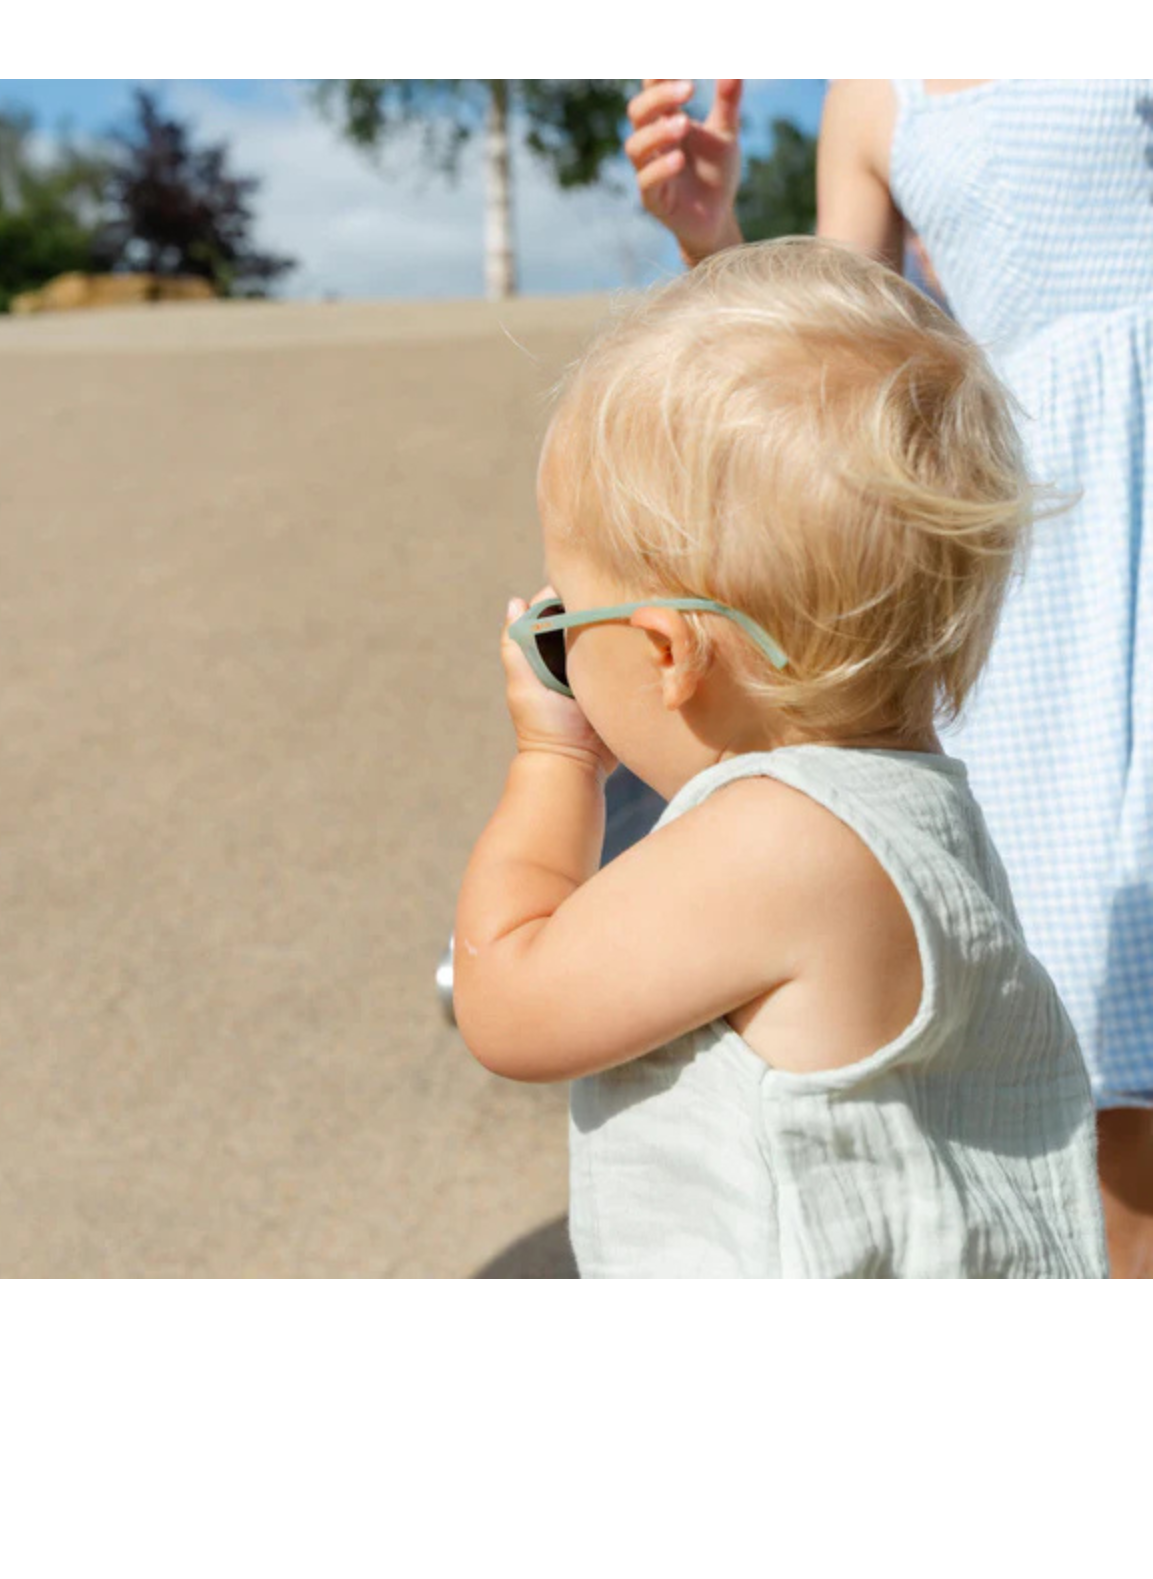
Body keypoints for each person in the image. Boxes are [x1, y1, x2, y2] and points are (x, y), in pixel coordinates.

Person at [452, 237, 1107, 1278]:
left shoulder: (774, 840)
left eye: (563, 620)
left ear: (666, 654)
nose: (557, 643)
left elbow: (505, 1001)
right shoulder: (917, 812)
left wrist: (551, 759)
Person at [625, 77, 1153, 1279]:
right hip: (1041, 569)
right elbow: (838, 379)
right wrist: (712, 241)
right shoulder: (876, 88)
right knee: (1083, 1041)